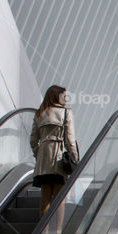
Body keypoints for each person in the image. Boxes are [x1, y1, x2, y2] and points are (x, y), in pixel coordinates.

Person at [30, 85, 79, 220]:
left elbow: (33, 140)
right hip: (59, 158)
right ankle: (57, 231)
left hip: (43, 161)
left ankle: (43, 231)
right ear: (56, 96)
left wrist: (39, 155)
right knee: (59, 198)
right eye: (64, 96)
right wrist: (75, 158)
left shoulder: (39, 113)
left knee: (45, 196)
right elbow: (70, 139)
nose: (66, 99)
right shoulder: (66, 113)